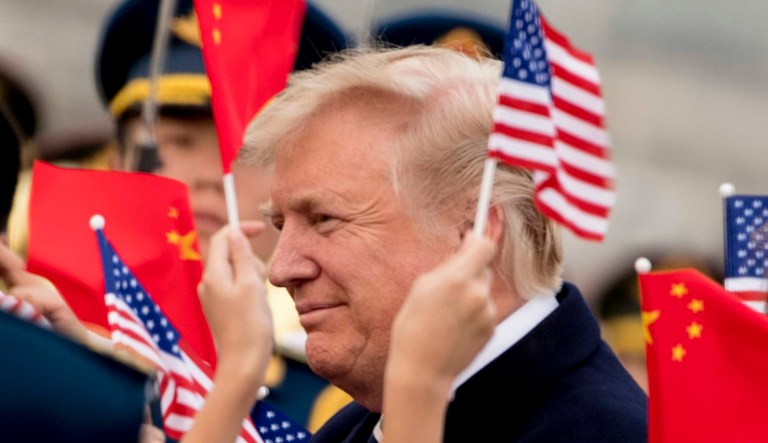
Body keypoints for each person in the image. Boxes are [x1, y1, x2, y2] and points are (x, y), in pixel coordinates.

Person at [237, 44, 648, 441]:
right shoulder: (363, 422)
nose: (281, 269)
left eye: (324, 219)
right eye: (280, 224)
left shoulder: (602, 431)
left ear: (473, 232)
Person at [94, 0, 352, 429]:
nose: (215, 176)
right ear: (115, 165)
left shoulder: (335, 404)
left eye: (247, 152)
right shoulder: (40, 343)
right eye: (180, 142)